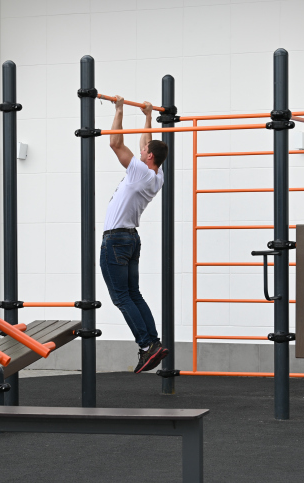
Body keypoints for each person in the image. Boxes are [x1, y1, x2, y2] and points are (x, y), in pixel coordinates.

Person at [100, 96, 169, 373]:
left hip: (116, 239)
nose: (141, 151)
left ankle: (146, 344)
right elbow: (146, 143)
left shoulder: (140, 171)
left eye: (144, 151)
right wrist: (148, 116)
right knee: (134, 294)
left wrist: (119, 110)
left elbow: (115, 143)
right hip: (130, 239)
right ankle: (154, 342)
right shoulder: (157, 175)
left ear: (149, 157)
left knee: (121, 297)